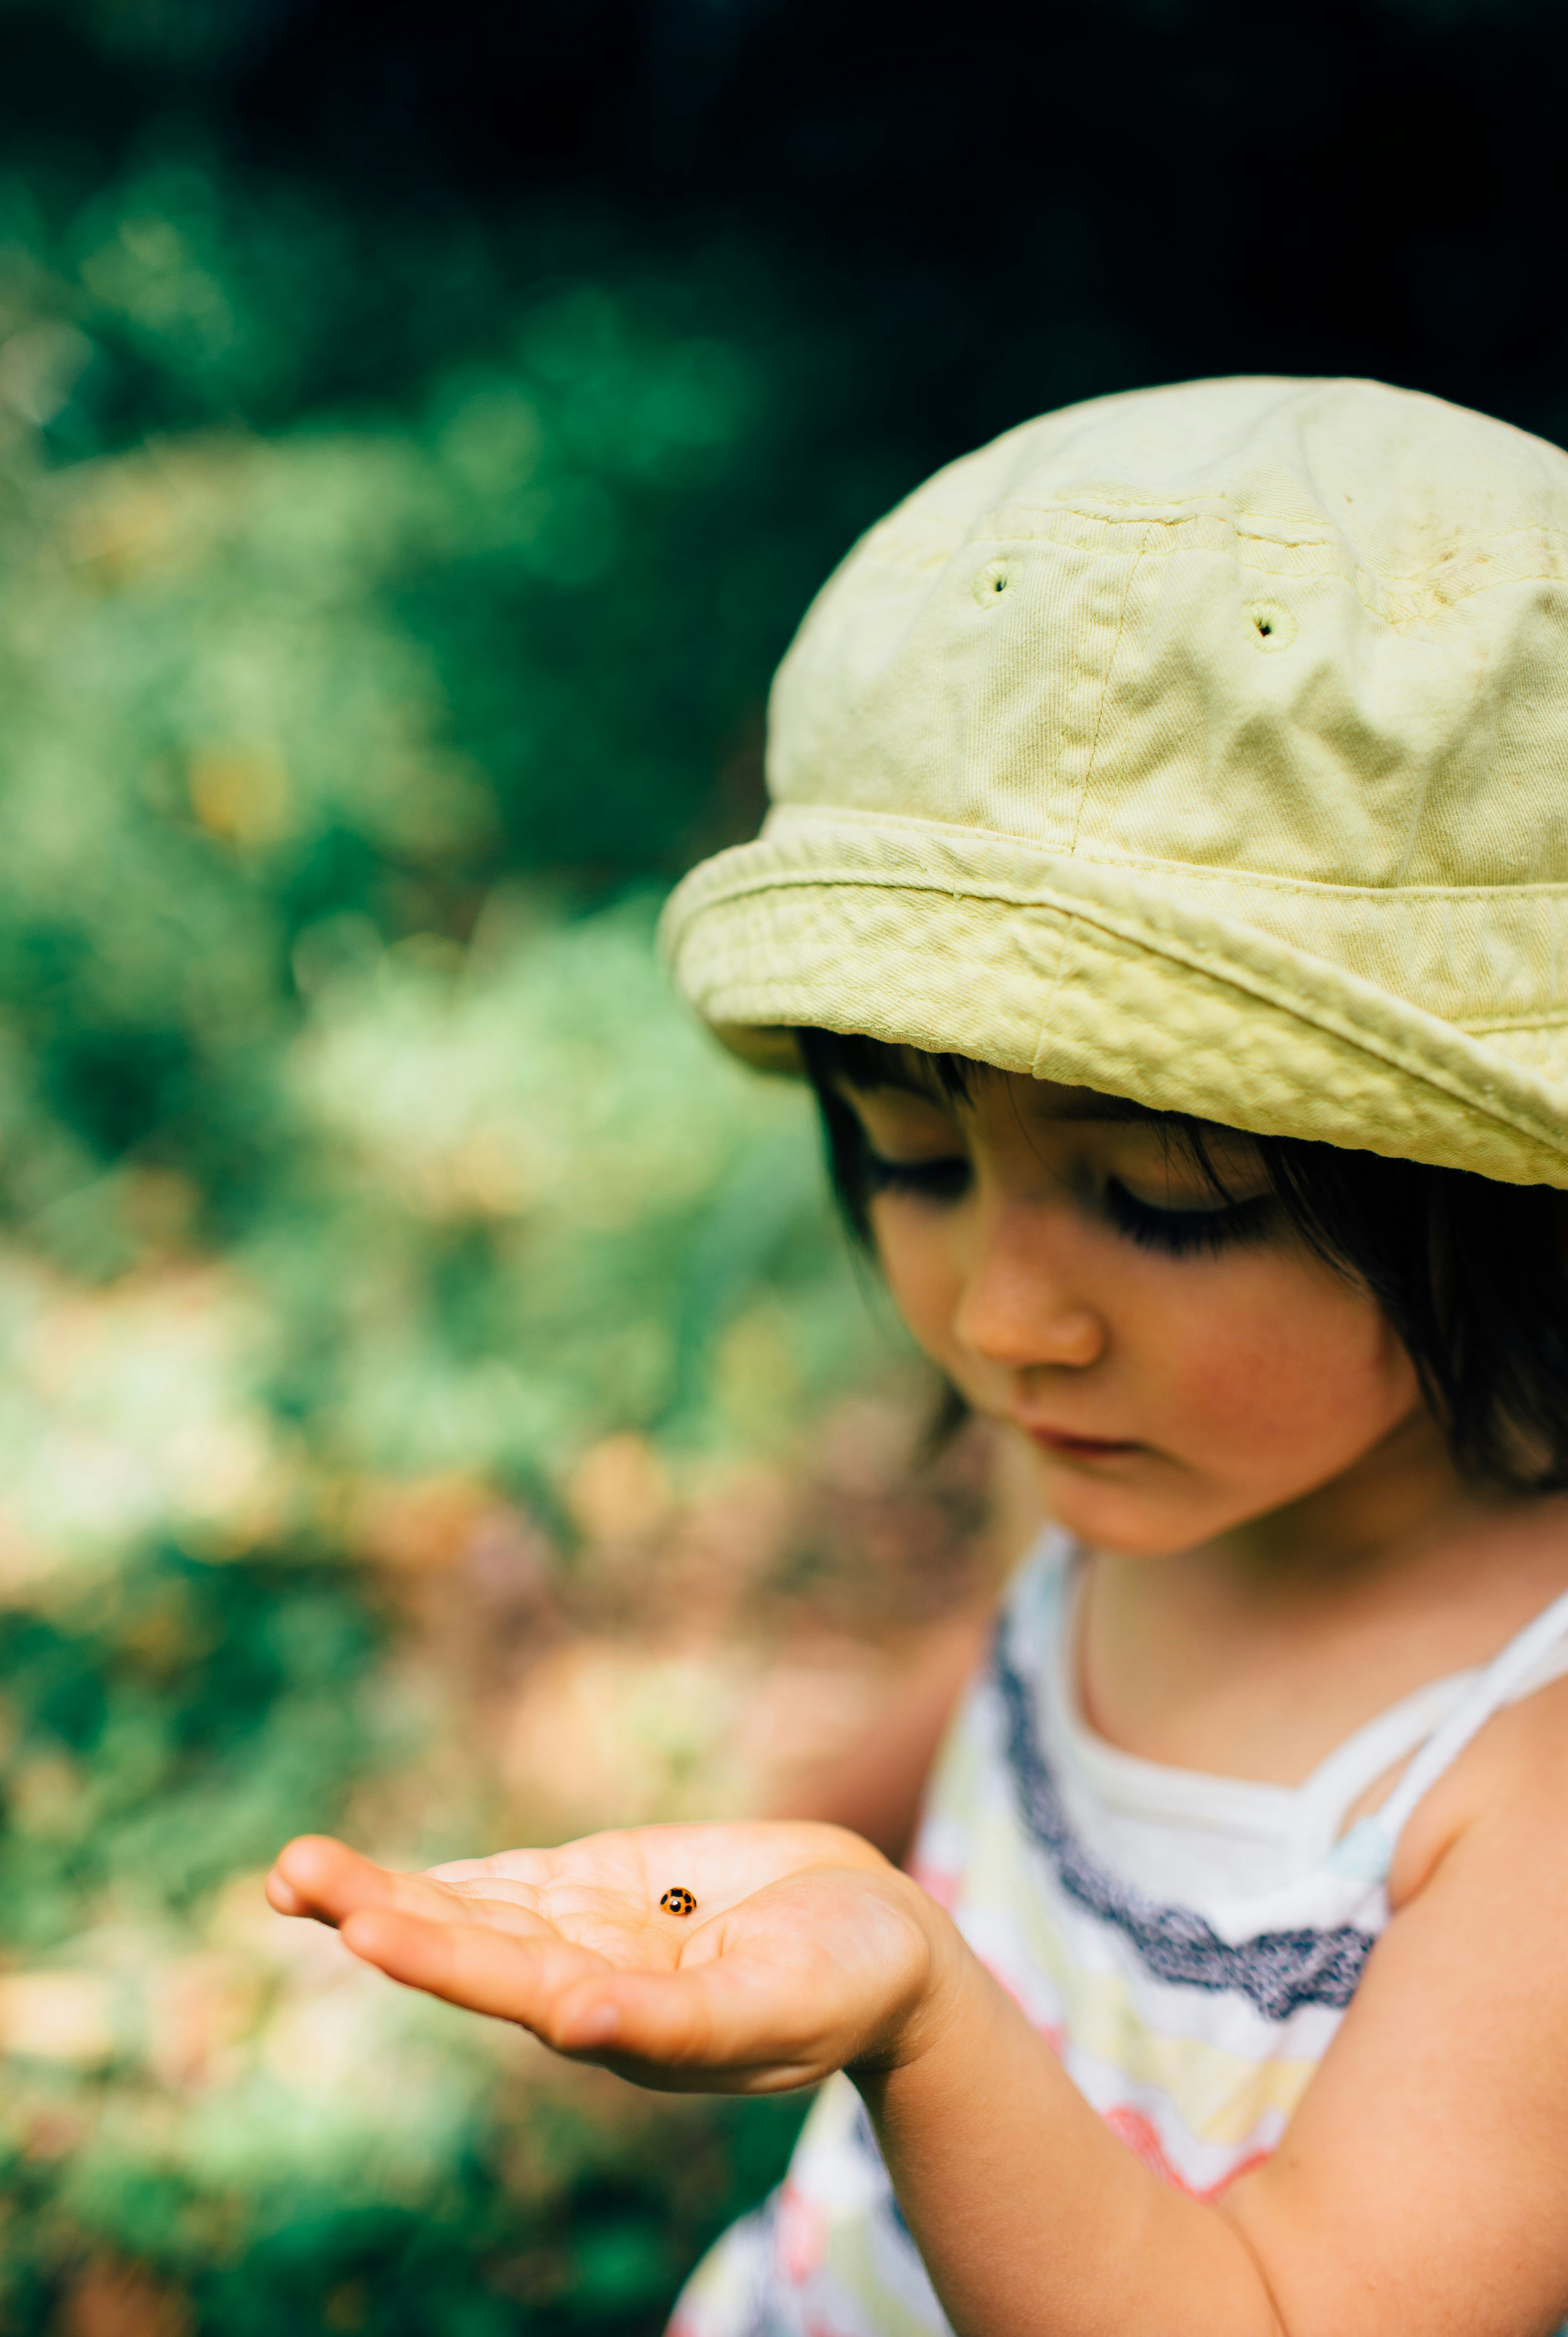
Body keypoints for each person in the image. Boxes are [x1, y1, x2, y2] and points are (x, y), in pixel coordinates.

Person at [268, 377, 1568, 2337]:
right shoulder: (1145, 1463)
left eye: (1169, 1196)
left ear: (1494, 1191)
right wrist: (761, 1874)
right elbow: (1009, 1681)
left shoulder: (1522, 1788)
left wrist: (920, 2013)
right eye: (911, 1160)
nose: (999, 1318)